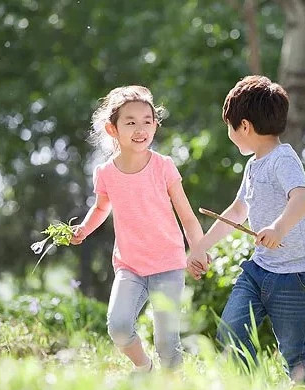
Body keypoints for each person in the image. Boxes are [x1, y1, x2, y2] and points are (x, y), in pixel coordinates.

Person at [188, 76, 305, 388]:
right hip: (259, 270)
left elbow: (301, 197)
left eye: (230, 126)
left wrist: (279, 226)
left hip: (298, 276)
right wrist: (201, 245)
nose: (230, 133)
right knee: (230, 331)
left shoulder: (283, 159)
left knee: (296, 355)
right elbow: (237, 210)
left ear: (244, 126)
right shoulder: (252, 166)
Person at [71, 85, 208, 372]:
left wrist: (198, 248)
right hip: (129, 265)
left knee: (166, 342)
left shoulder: (163, 167)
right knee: (119, 327)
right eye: (130, 122)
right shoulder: (105, 173)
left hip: (168, 264)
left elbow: (187, 217)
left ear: (155, 126)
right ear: (113, 129)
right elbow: (100, 208)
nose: (140, 128)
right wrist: (83, 229)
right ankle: (144, 368)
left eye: (147, 121)